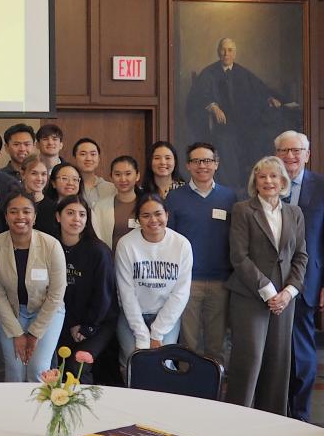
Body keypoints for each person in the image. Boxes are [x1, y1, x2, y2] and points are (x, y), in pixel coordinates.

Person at [227, 156, 307, 415]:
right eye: (263, 176)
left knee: (278, 362)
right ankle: (238, 417)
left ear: (283, 181)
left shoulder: (295, 213)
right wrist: (270, 292)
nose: (268, 181)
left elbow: (301, 256)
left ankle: (272, 420)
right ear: (255, 181)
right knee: (248, 361)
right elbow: (239, 257)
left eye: (274, 176)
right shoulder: (242, 209)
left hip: (284, 300)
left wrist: (289, 292)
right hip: (251, 296)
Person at [275, 130, 324, 421]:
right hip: (272, 283)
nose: (290, 156)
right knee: (275, 353)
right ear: (276, 155)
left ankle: (300, 414)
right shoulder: (267, 183)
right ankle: (274, 409)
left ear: (307, 154)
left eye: (296, 151)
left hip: (308, 283)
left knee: (301, 352)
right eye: (284, 151)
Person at [167, 142, 237, 365]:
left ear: (216, 164)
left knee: (217, 344)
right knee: (189, 343)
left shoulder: (230, 197)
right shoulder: (175, 198)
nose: (202, 166)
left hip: (221, 282)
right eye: (196, 161)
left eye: (207, 161)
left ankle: (213, 392)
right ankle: (189, 390)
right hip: (187, 282)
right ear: (188, 165)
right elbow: (169, 240)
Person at [0, 190, 67, 383]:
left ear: (34, 216)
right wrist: (17, 333)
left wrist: (34, 333)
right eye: (14, 212)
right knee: (14, 369)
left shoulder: (51, 245)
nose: (20, 217)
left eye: (26, 211)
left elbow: (56, 294)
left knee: (38, 369)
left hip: (47, 311)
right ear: (6, 217)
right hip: (12, 313)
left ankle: (41, 413)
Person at [186, 37, 286, 188]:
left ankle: (251, 188)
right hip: (222, 127)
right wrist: (213, 106)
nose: (226, 53)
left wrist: (269, 98)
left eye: (230, 50)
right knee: (226, 147)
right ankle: (230, 188)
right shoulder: (209, 73)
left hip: (243, 126)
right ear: (218, 52)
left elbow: (259, 89)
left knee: (259, 142)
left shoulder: (242, 73)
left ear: (235, 53)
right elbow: (198, 97)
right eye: (223, 50)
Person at [113, 194, 193, 371]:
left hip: (165, 316)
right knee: (132, 362)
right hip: (132, 315)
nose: (153, 220)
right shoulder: (126, 244)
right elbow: (126, 293)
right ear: (138, 219)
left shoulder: (181, 245)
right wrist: (142, 337)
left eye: (158, 214)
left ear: (167, 215)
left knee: (165, 364)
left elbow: (181, 293)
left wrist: (157, 333)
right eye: (146, 215)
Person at [55, 195, 116, 383]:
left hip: (98, 322)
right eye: (70, 213)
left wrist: (87, 326)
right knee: (55, 363)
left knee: (77, 365)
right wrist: (72, 323)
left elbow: (103, 296)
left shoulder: (99, 251)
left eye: (82, 214)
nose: (77, 219)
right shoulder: (51, 246)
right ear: (58, 217)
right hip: (63, 320)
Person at [92, 155, 141, 250]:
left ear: (137, 176)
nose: (123, 179)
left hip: (142, 262)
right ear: (111, 177)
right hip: (112, 261)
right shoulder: (100, 207)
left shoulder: (147, 204)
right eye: (117, 174)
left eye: (128, 174)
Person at [19, 155, 58, 237]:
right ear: (23, 174)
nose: (39, 178)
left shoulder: (55, 208)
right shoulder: (13, 204)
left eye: (43, 174)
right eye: (34, 173)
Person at [72, 137, 116, 207]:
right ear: (75, 158)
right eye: (83, 154)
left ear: (98, 159)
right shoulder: (69, 187)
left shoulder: (111, 188)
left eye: (93, 154)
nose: (88, 158)